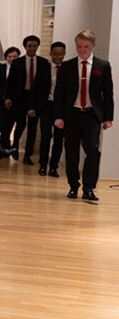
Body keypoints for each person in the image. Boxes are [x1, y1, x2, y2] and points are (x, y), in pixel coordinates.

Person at [54, 30, 114, 201]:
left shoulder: (103, 66)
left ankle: (89, 188)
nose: (82, 49)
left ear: (93, 46)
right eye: (79, 46)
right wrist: (58, 116)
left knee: (92, 152)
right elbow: (59, 94)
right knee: (71, 152)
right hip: (71, 115)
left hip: (92, 115)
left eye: (86, 46)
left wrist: (108, 118)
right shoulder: (67, 66)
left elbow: (108, 94)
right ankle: (73, 186)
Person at [5, 35, 51, 165]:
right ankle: (15, 146)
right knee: (20, 124)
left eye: (34, 46)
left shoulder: (43, 63)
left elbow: (45, 84)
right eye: (29, 46)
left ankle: (28, 155)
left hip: (35, 99)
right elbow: (10, 82)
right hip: (20, 97)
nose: (32, 48)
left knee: (32, 128)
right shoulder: (17, 62)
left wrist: (41, 101)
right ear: (25, 47)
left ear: (37, 47)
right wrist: (8, 97)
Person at [38, 42, 66, 177]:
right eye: (55, 53)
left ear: (64, 54)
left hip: (62, 109)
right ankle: (43, 165)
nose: (58, 56)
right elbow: (35, 88)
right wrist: (34, 107)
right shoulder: (44, 68)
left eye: (61, 54)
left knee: (59, 140)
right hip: (47, 107)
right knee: (45, 137)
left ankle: (53, 167)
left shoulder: (68, 69)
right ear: (50, 53)